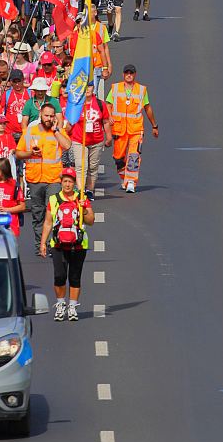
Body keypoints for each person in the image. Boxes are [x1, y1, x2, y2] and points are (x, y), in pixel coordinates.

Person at [39, 167, 94, 321]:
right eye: (65, 181)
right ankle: (61, 304)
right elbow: (48, 223)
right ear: (61, 182)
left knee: (75, 277)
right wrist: (43, 243)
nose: (67, 184)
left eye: (70, 181)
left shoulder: (81, 198)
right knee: (59, 276)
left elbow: (91, 221)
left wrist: (84, 209)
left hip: (78, 245)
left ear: (74, 183)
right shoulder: (54, 199)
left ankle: (72, 307)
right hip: (58, 244)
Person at [16, 100, 70, 255]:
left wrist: (56, 131)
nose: (49, 118)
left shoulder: (57, 131)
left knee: (52, 212)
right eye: (46, 115)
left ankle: (52, 244)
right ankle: (40, 245)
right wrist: (30, 154)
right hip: (34, 179)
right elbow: (18, 153)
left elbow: (67, 146)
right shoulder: (29, 132)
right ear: (40, 115)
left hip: (53, 179)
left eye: (52, 116)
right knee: (37, 214)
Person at [106, 63, 159, 193]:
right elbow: (108, 104)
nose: (129, 75)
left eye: (131, 73)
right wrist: (109, 116)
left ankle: (131, 182)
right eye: (127, 73)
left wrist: (154, 125)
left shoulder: (141, 90)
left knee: (134, 156)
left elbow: (147, 108)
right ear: (123, 74)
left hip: (136, 128)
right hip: (119, 128)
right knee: (118, 158)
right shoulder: (115, 88)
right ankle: (124, 177)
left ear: (135, 75)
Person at [66, 80, 111, 199]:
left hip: (96, 140)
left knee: (93, 166)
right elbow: (70, 123)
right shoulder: (76, 104)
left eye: (89, 86)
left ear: (93, 88)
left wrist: (109, 137)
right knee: (81, 166)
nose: (87, 89)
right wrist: (65, 132)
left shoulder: (100, 104)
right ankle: (81, 192)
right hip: (79, 140)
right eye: (85, 86)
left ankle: (90, 190)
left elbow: (105, 121)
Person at [0, 157, 25, 236]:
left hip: (11, 222)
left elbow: (22, 206)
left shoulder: (14, 185)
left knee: (10, 246)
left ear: (2, 170)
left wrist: (6, 209)